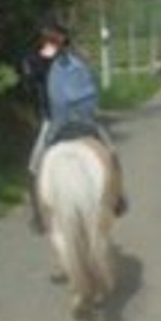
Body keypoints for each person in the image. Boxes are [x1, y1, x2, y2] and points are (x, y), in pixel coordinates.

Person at [21, 18, 128, 234]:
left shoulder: (42, 58)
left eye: (56, 35)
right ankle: (118, 200)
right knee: (111, 154)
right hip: (81, 120)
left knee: (34, 167)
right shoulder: (57, 57)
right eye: (52, 35)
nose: (55, 39)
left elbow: (30, 84)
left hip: (55, 121)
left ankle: (39, 216)